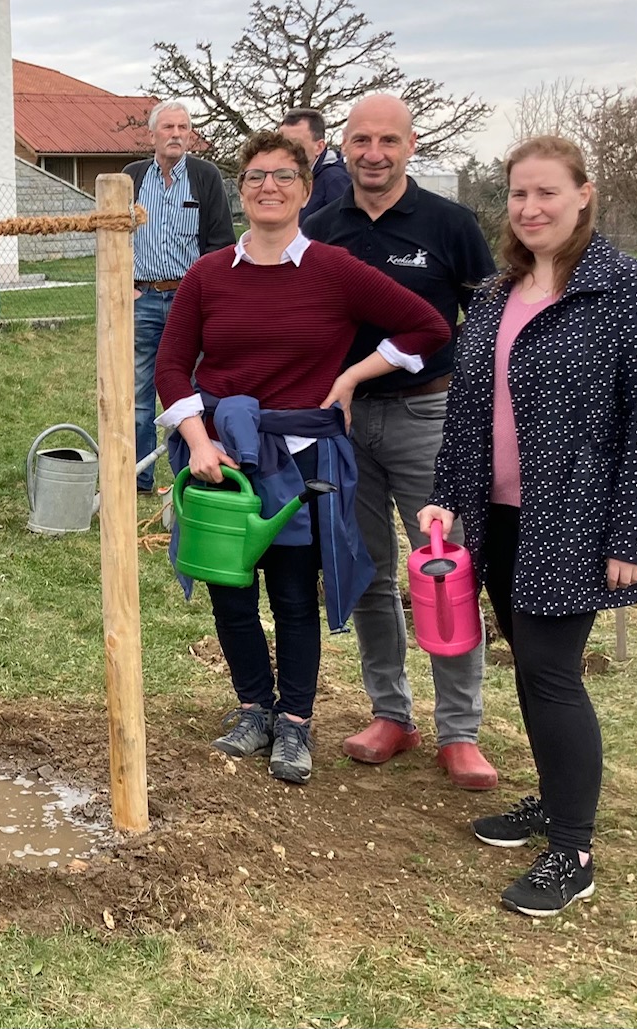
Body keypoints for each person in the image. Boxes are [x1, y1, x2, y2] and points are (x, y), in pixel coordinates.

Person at [156, 130, 448, 785]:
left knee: (291, 595)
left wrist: (351, 378)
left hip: (296, 460)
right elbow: (172, 365)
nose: (268, 186)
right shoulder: (207, 275)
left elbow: (427, 327)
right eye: (256, 175)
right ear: (240, 188)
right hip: (223, 463)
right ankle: (252, 708)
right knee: (229, 594)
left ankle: (293, 723)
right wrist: (199, 440)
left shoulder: (332, 270)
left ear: (306, 189)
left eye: (283, 176)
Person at [421, 136, 637, 916]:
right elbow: (468, 411)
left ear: (583, 194)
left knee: (551, 673)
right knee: (527, 663)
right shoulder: (493, 293)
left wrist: (631, 534)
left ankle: (573, 848)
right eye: (518, 194)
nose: (530, 208)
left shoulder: (622, 291)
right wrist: (447, 498)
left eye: (547, 192)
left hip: (575, 519)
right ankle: (552, 801)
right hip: (499, 514)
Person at [303, 94, 499, 790]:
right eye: (360, 140)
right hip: (347, 425)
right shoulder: (319, 227)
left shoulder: (451, 226)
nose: (373, 152)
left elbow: (487, 325)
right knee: (366, 573)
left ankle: (460, 729)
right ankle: (390, 712)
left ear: (410, 146)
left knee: (442, 573)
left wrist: (478, 417)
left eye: (387, 139)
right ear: (343, 148)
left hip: (430, 419)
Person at [124, 101, 235, 494]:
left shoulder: (206, 177)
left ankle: (191, 473)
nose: (176, 134)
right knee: (138, 392)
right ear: (151, 134)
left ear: (190, 135)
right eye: (168, 127)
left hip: (190, 302)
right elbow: (115, 235)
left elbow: (222, 244)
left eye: (183, 127)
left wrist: (205, 296)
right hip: (143, 299)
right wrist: (127, 284)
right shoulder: (132, 177)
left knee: (192, 391)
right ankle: (138, 479)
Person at [279, 107, 351, 220]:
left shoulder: (335, 181)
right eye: (281, 143)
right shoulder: (286, 177)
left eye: (295, 144)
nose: (286, 150)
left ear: (319, 147)